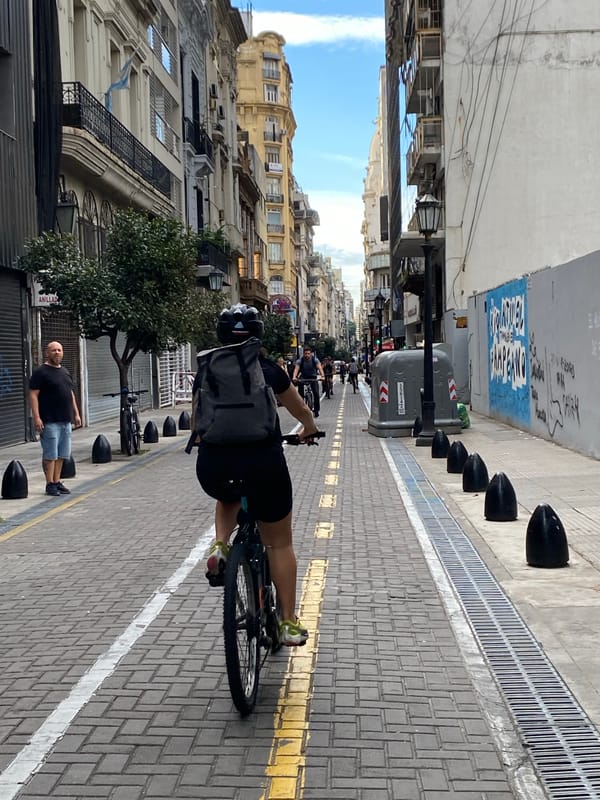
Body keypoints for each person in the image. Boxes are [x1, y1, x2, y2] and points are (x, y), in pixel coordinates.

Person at [195, 305, 320, 647]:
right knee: (279, 542)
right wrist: (309, 429)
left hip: (214, 465)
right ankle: (287, 623)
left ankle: (221, 545)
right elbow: (301, 410)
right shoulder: (268, 369)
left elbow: (199, 421)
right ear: (258, 334)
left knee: (228, 495)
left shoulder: (207, 369)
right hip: (264, 463)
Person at [29, 341, 82, 496]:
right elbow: (33, 395)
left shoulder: (65, 371)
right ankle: (49, 484)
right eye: (53, 350)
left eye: (59, 350)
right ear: (47, 353)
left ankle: (57, 481)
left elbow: (70, 393)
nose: (57, 352)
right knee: (50, 454)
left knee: (61, 454)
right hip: (49, 420)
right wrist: (37, 417)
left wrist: (77, 413)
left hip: (65, 420)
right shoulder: (41, 372)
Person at [293, 346, 325, 417]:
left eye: (308, 353)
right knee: (300, 393)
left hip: (313, 377)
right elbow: (296, 369)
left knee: (316, 394)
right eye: (305, 353)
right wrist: (294, 377)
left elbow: (320, 368)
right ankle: (301, 409)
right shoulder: (300, 361)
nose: (307, 355)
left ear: (311, 354)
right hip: (303, 377)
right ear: (303, 354)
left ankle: (316, 410)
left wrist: (322, 376)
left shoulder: (315, 360)